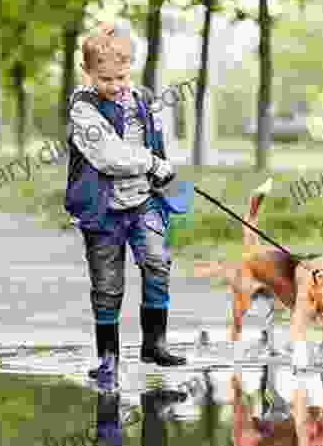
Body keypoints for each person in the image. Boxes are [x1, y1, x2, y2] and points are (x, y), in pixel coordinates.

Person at [65, 20, 187, 389]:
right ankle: (108, 359)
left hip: (143, 201)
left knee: (157, 262)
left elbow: (159, 141)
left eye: (122, 76)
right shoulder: (83, 108)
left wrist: (166, 169)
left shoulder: (143, 99)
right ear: (87, 72)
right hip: (101, 208)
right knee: (107, 284)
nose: (116, 87)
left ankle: (155, 343)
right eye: (105, 80)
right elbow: (108, 155)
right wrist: (151, 163)